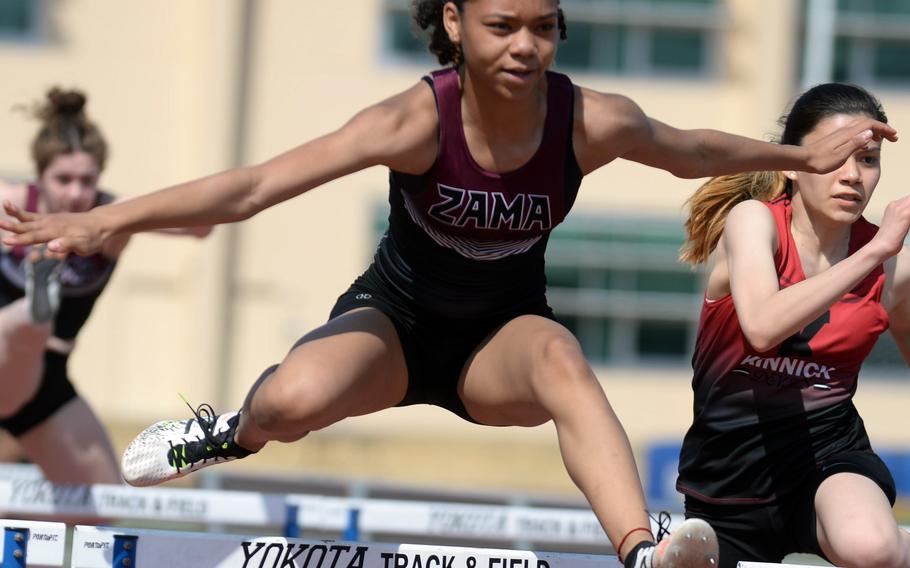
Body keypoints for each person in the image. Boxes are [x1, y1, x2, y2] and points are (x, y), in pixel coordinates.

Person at [0, 2, 898, 566]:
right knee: (291, 400)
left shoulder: (586, 120)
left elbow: (692, 151)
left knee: (561, 359)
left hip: (497, 341)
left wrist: (793, 155)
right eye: (503, 26)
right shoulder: (412, 119)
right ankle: (227, 430)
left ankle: (643, 550)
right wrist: (103, 221)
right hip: (393, 324)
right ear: (456, 22)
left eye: (543, 27)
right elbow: (254, 187)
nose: (525, 46)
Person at [676, 83, 910, 568]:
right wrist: (876, 250)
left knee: (871, 547)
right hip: (726, 484)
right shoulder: (754, 223)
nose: (852, 175)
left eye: (868, 160)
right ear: (792, 165)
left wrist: (882, 255)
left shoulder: (892, 266)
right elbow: (762, 326)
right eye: (838, 156)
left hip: (828, 460)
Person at [0, 87, 212, 485]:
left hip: (46, 378)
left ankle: (40, 301)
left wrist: (131, 212)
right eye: (63, 179)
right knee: (28, 325)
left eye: (87, 180)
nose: (76, 193)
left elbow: (203, 224)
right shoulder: (9, 204)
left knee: (102, 500)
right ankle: (37, 302)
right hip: (3, 348)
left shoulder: (112, 220)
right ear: (39, 175)